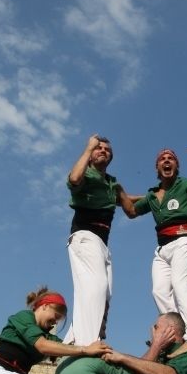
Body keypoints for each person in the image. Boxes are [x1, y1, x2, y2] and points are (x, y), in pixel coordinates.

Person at [132, 145, 187, 348]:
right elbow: (131, 210)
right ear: (157, 167)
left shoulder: (184, 185)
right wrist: (113, 192)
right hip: (162, 249)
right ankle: (177, 333)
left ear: (176, 166)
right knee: (159, 292)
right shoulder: (152, 195)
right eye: (162, 158)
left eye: (171, 158)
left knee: (181, 287)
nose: (167, 160)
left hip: (183, 240)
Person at [65, 134, 136, 346]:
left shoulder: (112, 184)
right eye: (99, 148)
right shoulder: (85, 174)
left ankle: (74, 337)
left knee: (104, 293)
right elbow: (74, 179)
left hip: (102, 243)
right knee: (95, 286)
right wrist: (89, 147)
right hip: (85, 236)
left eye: (107, 149)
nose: (103, 150)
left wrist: (157, 196)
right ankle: (88, 342)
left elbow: (129, 206)